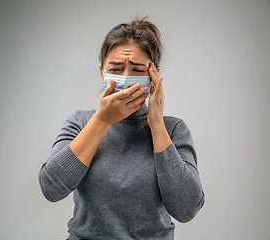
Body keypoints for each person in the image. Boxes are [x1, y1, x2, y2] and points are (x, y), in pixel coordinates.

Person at [38, 16, 205, 240]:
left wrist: (156, 124)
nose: (126, 79)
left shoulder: (173, 129)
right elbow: (51, 188)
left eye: (137, 70)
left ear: (154, 73)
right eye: (116, 69)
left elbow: (187, 208)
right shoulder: (80, 123)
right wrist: (102, 121)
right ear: (102, 72)